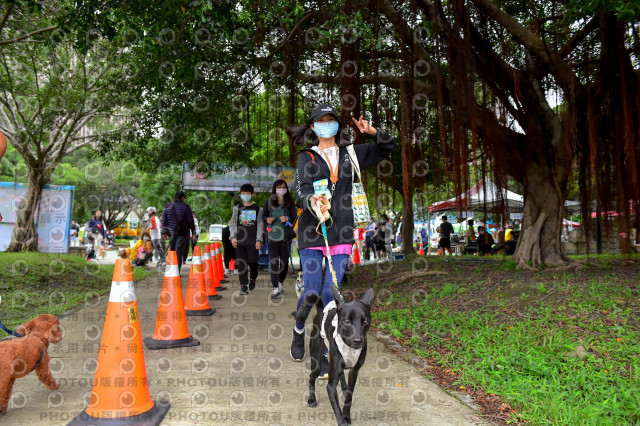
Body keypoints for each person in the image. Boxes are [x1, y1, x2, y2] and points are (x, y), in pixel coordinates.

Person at [288, 103, 395, 367]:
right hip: (313, 231)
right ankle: (299, 328)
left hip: (343, 231)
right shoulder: (307, 157)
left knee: (329, 293)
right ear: (313, 127)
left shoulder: (352, 154)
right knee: (312, 291)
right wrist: (312, 199)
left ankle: (326, 349)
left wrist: (372, 131)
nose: (327, 124)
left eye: (331, 119)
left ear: (337, 124)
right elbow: (300, 189)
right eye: (321, 121)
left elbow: (386, 147)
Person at [263, 179, 298, 299]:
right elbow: (264, 215)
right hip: (272, 237)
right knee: (274, 262)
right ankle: (275, 287)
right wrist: (267, 220)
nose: (281, 189)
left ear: (286, 189)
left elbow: (294, 217)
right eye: (278, 187)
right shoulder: (269, 201)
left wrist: (287, 218)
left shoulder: (289, 202)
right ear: (274, 188)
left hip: (285, 238)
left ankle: (281, 282)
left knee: (284, 262)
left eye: (283, 187)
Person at [229, 184, 263, 295]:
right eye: (243, 193)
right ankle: (243, 286)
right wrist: (233, 237)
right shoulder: (237, 208)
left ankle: (253, 278)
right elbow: (233, 224)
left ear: (252, 194)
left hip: (253, 241)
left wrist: (259, 239)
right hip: (240, 242)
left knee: (253, 262)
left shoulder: (258, 209)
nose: (245, 195)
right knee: (241, 264)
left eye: (247, 193)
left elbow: (260, 225)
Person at [161, 190, 196, 271]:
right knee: (178, 251)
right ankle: (176, 271)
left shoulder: (167, 206)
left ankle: (171, 270)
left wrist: (164, 232)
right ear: (182, 198)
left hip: (170, 233)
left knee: (172, 250)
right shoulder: (185, 207)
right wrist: (193, 232)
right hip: (181, 232)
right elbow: (191, 221)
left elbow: (164, 220)